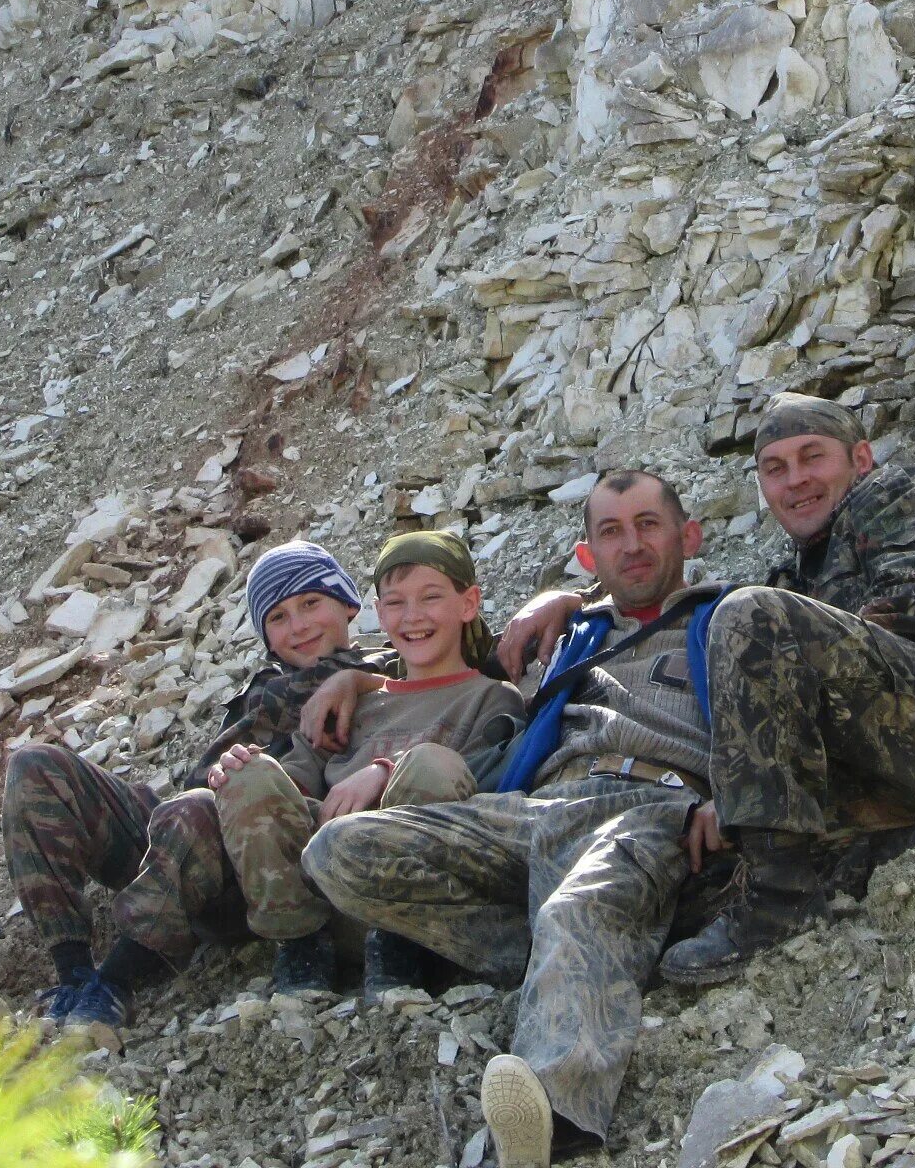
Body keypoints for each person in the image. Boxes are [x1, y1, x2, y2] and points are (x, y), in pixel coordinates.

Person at [303, 471, 727, 1168]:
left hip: (651, 807)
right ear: (588, 555)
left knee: (574, 909)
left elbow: (780, 711)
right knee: (340, 851)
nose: (634, 545)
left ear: (688, 535)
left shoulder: (726, 617)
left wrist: (731, 795)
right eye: (611, 532)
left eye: (649, 525)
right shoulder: (571, 637)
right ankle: (591, 961)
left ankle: (551, 1114)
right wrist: (356, 677)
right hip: (541, 807)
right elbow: (439, 642)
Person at [655, 391, 915, 985]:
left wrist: (773, 747)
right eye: (775, 469)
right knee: (689, 863)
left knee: (750, 616)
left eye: (813, 458)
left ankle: (775, 907)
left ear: (860, 459)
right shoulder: (798, 573)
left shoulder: (903, 490)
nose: (796, 481)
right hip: (897, 756)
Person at [0, 539, 391, 1044]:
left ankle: (115, 982)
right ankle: (72, 972)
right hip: (183, 836)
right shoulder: (262, 690)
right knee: (37, 767)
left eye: (311, 603)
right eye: (278, 617)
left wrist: (356, 680)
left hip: (269, 855)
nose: (299, 625)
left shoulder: (389, 670)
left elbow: (455, 677)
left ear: (349, 603)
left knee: (199, 809)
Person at [205, 530, 523, 998]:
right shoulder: (352, 702)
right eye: (395, 603)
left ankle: (400, 956)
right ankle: (302, 951)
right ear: (377, 610)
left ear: (468, 603)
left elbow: (482, 776)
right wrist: (243, 771)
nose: (412, 617)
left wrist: (383, 769)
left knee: (430, 765)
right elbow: (297, 781)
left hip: (423, 911)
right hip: (333, 895)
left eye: (430, 597)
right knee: (249, 773)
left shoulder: (492, 698)